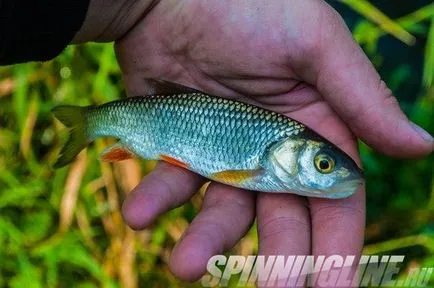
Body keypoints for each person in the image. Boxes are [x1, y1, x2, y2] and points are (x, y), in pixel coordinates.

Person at [2, 0, 433, 283]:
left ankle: (91, 123)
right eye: (323, 164)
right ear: (292, 152)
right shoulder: (261, 162)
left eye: (323, 166)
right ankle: (90, 124)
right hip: (153, 121)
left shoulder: (275, 151)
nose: (329, 170)